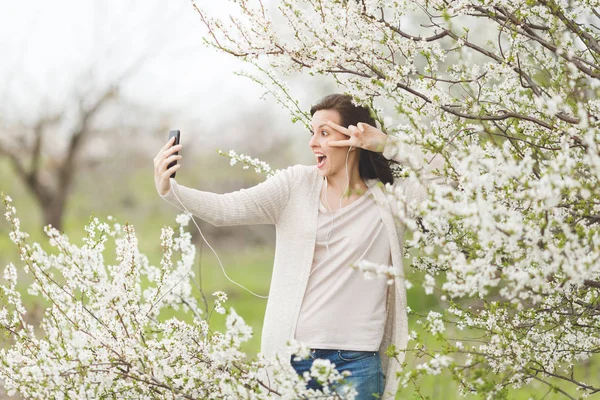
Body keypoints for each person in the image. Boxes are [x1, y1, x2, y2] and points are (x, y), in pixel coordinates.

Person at [153, 94, 444, 399]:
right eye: (312, 132)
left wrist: (387, 144)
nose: (313, 142)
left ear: (353, 139)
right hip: (293, 360)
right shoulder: (295, 185)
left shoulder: (392, 199)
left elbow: (450, 175)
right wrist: (171, 191)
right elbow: (226, 209)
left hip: (358, 363)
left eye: (324, 133)